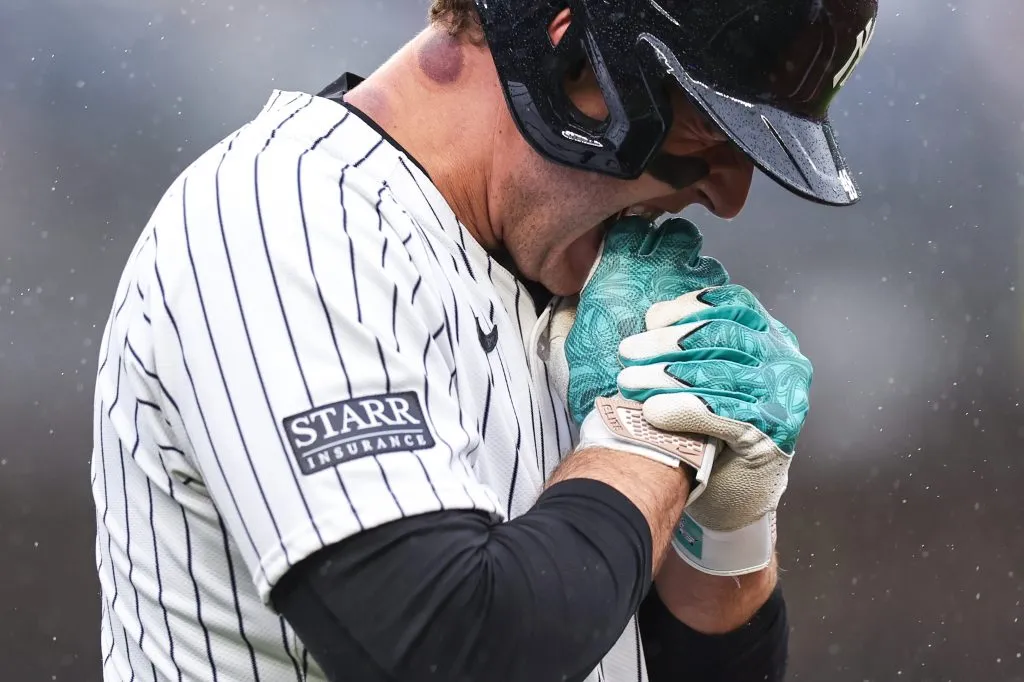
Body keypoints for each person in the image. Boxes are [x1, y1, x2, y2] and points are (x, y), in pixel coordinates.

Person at [90, 0, 878, 680]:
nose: (728, 194)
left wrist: (727, 531)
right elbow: (450, 648)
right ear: (571, 50)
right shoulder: (280, 215)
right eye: (709, 130)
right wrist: (648, 441)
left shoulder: (559, 277)